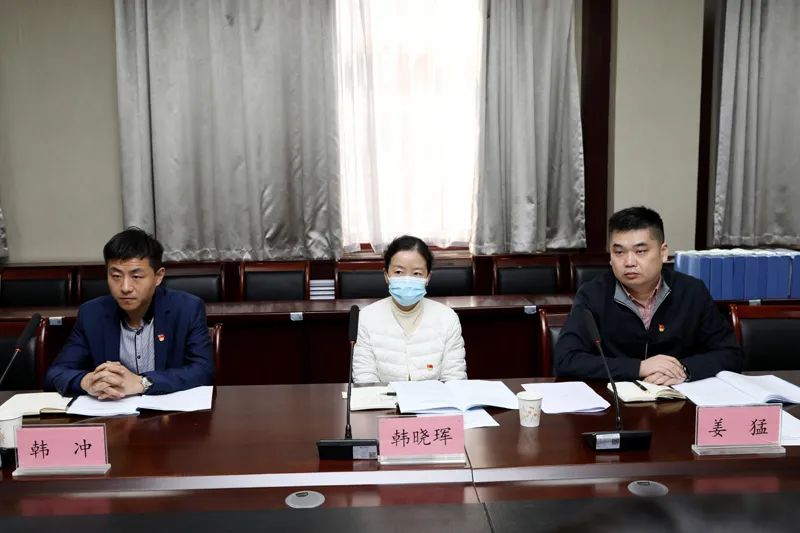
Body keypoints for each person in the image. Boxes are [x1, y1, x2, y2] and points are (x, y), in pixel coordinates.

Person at [554, 206, 743, 384]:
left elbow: (730, 353)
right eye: (619, 252)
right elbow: (566, 359)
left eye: (640, 251)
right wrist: (639, 368)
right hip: (616, 400)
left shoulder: (692, 291)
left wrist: (683, 370)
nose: (629, 262)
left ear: (663, 252)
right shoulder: (593, 295)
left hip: (678, 398)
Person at [44, 228, 214, 398]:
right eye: (116, 276)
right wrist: (86, 381)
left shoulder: (187, 309)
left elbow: (203, 371)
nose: (125, 287)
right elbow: (55, 374)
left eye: (136, 277)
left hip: (167, 411)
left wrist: (142, 383)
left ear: (158, 276)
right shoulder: (92, 314)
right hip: (112, 411)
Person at [352, 235, 467, 383]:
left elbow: (454, 378)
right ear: (386, 275)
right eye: (398, 272)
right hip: (383, 398)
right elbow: (364, 378)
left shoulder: (447, 318)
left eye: (417, 273)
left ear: (428, 278)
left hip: (433, 398)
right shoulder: (367, 317)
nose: (407, 279)